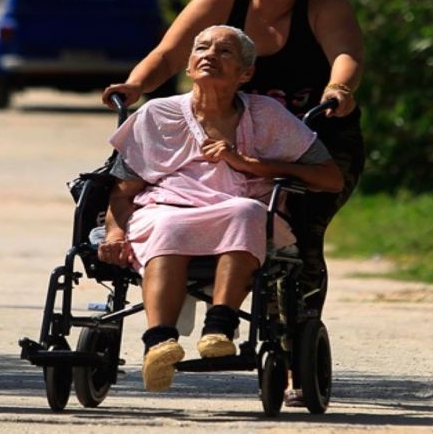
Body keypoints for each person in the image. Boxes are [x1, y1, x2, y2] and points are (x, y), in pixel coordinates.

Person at [102, 0, 364, 323]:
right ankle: (183, 296)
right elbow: (169, 54)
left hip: (307, 138)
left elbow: (346, 55)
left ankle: (294, 329)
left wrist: (339, 89)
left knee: (301, 230)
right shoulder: (222, 0)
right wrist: (135, 85)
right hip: (221, 128)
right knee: (183, 203)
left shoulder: (323, 3)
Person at [97, 25, 343, 393]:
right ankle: (159, 343)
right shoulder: (156, 114)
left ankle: (219, 327)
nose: (210, 55)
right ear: (189, 65)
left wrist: (252, 164)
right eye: (202, 48)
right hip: (167, 207)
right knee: (167, 224)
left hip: (243, 211)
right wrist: (115, 233)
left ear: (246, 73)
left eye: (224, 52)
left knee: (244, 212)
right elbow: (122, 192)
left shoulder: (268, 115)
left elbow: (330, 178)